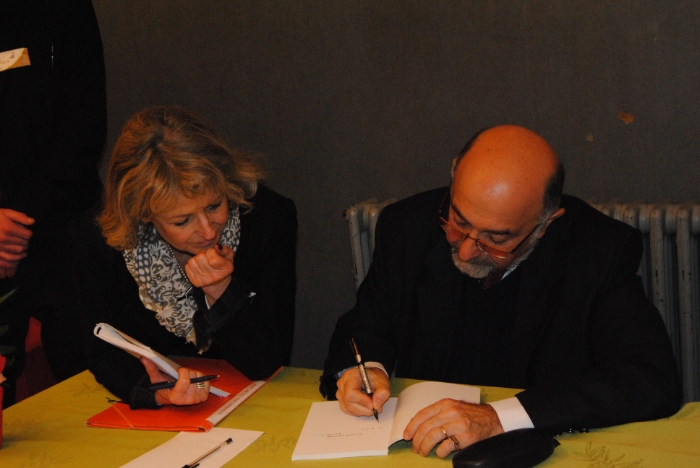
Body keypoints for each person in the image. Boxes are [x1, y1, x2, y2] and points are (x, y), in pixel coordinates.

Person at [320, 125, 681, 458]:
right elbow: (365, 326)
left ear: (545, 224)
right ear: (454, 174)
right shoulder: (406, 226)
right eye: (458, 221)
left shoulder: (598, 250)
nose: (465, 251)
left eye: (495, 239)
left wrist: (498, 418)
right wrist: (365, 369)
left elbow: (650, 379)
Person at [72, 106, 297, 409]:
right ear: (143, 214)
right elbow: (102, 352)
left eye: (214, 206)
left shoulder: (267, 218)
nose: (208, 231)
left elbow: (266, 360)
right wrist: (156, 392)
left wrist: (221, 290)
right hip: (166, 408)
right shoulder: (101, 238)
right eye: (182, 221)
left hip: (254, 401)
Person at [0, 0, 106, 405]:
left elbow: (84, 126)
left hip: (63, 227)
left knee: (95, 383)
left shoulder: (62, 9)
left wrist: (15, 223)